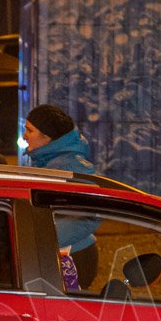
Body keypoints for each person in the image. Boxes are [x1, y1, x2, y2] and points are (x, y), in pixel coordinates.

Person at [23, 104, 101, 290]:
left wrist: (41, 239)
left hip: (73, 258)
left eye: (29, 130)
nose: (25, 135)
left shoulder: (70, 167)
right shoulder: (49, 162)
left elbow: (90, 215)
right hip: (60, 254)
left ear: (47, 136)